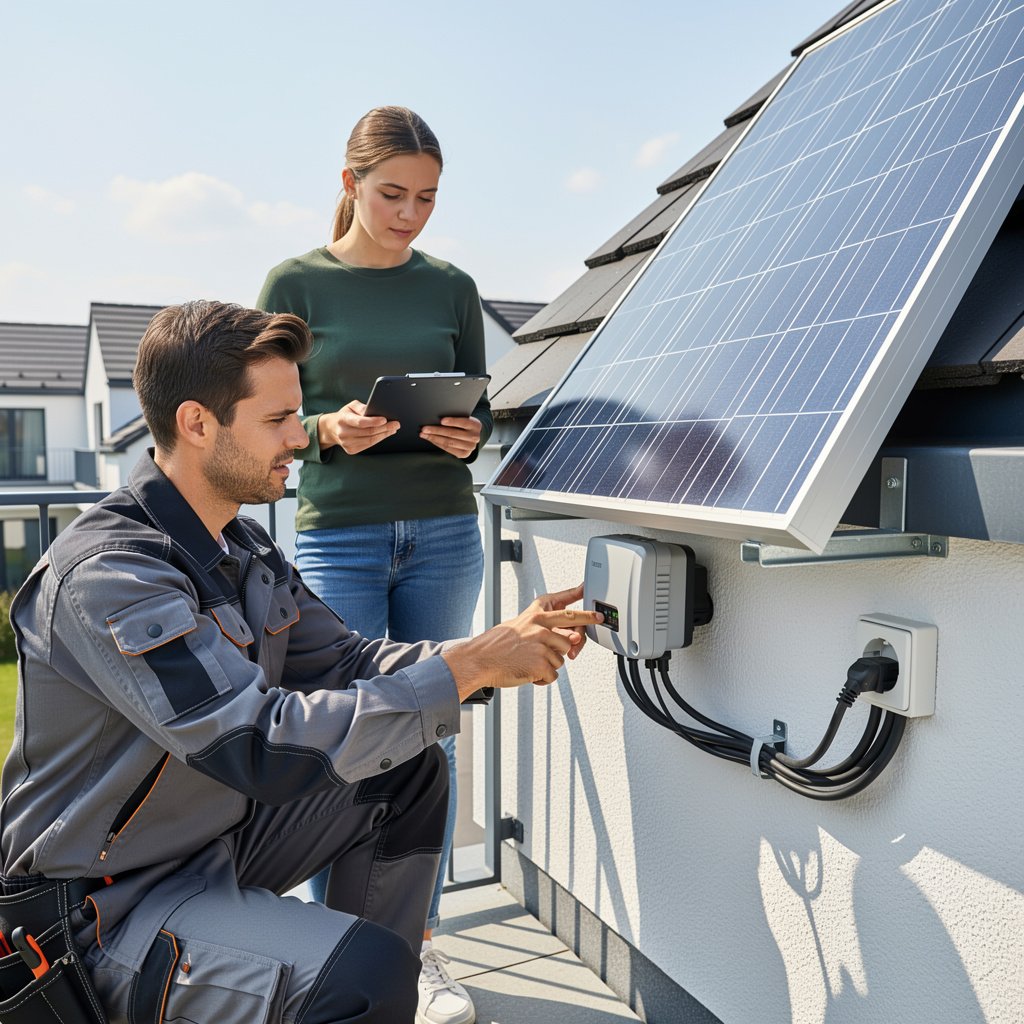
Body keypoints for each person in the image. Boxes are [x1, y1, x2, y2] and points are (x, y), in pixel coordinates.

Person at [0, 300, 601, 1024]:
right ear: (198, 424)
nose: (299, 438)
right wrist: (465, 670)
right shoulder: (111, 575)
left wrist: (483, 654)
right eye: (278, 420)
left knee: (405, 767)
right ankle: (353, 988)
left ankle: (356, 985)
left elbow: (347, 660)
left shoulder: (241, 546)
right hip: (102, 904)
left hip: (211, 845)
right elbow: (254, 743)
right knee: (364, 978)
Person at [257, 106, 490, 1024]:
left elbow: (484, 422)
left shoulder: (452, 287)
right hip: (338, 536)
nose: (410, 214)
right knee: (345, 736)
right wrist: (325, 428)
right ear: (350, 185)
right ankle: (338, 952)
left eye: (427, 198)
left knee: (428, 729)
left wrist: (471, 433)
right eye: (392, 194)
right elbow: (266, 415)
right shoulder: (295, 282)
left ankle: (415, 953)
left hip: (442, 529)